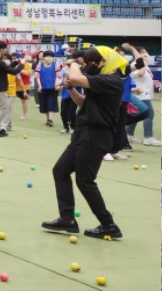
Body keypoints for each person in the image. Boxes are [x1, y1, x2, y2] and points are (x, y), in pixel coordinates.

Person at [41, 49, 123, 240]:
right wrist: (70, 89)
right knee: (60, 170)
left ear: (104, 62)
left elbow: (77, 77)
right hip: (83, 133)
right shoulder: (101, 81)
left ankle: (108, 224)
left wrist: (74, 63)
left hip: (96, 135)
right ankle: (67, 218)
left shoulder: (111, 81)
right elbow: (83, 103)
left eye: (91, 63)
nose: (88, 67)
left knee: (85, 181)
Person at [0, 42, 24, 137]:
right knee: (3, 109)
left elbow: (6, 69)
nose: (6, 51)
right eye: (5, 49)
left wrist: (15, 62)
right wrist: (21, 65)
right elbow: (13, 71)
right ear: (2, 49)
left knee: (0, 108)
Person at [123, 45, 157, 146]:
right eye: (143, 52)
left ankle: (129, 134)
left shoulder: (145, 66)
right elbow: (140, 74)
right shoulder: (135, 64)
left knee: (136, 114)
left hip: (144, 93)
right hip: (140, 95)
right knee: (149, 114)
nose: (146, 54)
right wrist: (144, 63)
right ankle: (148, 137)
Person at [34, 50, 62, 127]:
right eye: (47, 56)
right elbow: (37, 76)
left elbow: (58, 76)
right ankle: (48, 119)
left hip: (53, 88)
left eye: (51, 56)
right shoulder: (40, 65)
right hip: (43, 87)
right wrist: (39, 86)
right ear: (44, 57)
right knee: (44, 103)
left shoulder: (55, 64)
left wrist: (56, 84)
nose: (49, 58)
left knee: (51, 103)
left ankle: (50, 119)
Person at [59, 63, 78, 136]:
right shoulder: (64, 72)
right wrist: (59, 85)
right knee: (63, 112)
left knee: (72, 112)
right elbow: (62, 82)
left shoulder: (78, 74)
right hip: (65, 95)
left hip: (74, 95)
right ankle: (65, 126)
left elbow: (78, 84)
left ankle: (73, 127)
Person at [16, 54, 33, 121]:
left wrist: (18, 69)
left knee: (24, 100)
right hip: (14, 85)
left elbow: (27, 73)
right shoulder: (15, 64)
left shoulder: (27, 65)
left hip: (24, 85)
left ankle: (24, 115)